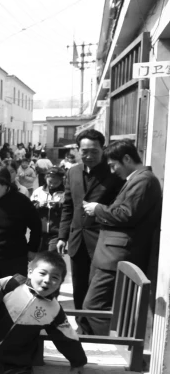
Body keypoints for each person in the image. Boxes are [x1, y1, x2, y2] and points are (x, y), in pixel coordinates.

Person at [79, 140, 163, 335]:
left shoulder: (144, 180)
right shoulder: (138, 179)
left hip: (117, 255)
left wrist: (97, 209)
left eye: (113, 165)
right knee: (104, 306)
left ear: (126, 158)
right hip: (110, 254)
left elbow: (126, 214)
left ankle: (117, 347)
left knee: (94, 307)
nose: (112, 170)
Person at [57, 130, 124, 310]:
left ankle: (94, 328)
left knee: (98, 290)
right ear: (77, 150)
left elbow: (120, 208)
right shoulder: (72, 172)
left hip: (103, 241)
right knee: (79, 287)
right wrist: (62, 236)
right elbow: (68, 206)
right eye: (84, 151)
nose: (89, 156)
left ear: (103, 150)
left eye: (94, 151)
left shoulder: (114, 174)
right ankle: (81, 326)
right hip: (77, 239)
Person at [0, 167, 42, 277]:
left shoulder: (21, 201)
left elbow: (36, 226)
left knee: (14, 293)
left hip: (15, 259)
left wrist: (32, 249)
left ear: (5, 185)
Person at [31, 166, 65, 252]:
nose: (52, 185)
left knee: (51, 256)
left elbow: (69, 210)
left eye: (56, 182)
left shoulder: (65, 194)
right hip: (40, 232)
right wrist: (38, 205)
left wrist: (58, 206)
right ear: (45, 178)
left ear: (61, 181)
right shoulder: (38, 192)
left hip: (56, 233)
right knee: (40, 257)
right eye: (50, 182)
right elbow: (30, 208)